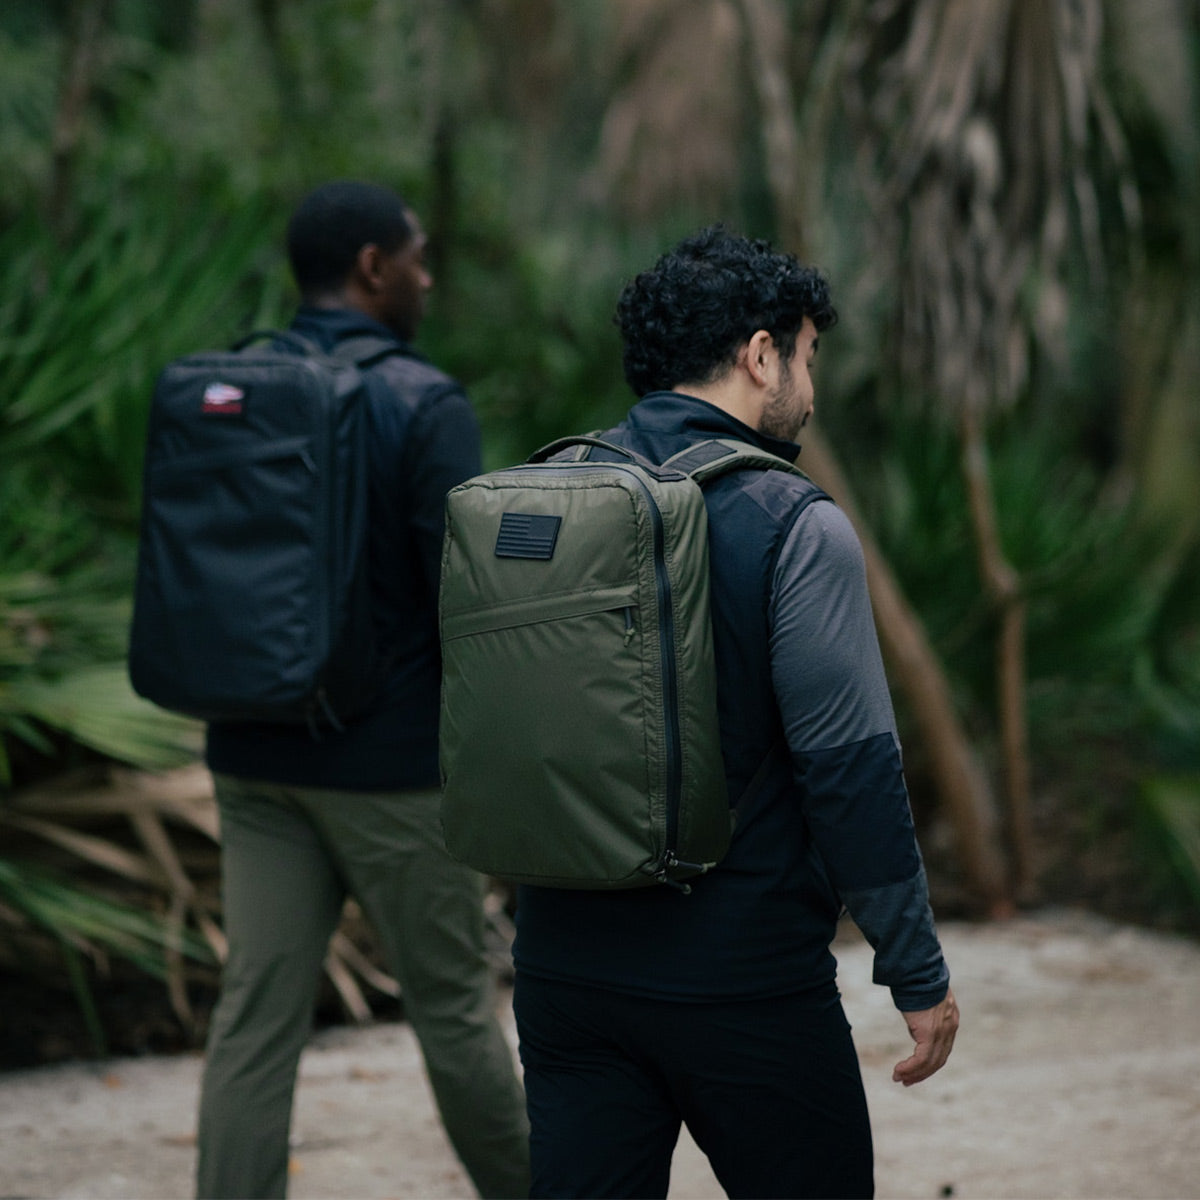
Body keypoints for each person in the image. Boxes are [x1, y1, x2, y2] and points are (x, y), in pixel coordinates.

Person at [511, 226, 959, 1200]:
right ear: (762, 355)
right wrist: (915, 972)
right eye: (807, 355)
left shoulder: (550, 493)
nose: (812, 383)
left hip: (562, 971)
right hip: (742, 980)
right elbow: (852, 775)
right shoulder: (794, 523)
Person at [195, 181, 530, 1200]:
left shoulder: (235, 383)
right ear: (375, 268)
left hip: (253, 754)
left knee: (253, 1021)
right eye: (419, 258)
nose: (427, 277)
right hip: (389, 768)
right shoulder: (424, 401)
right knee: (456, 1011)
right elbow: (460, 601)